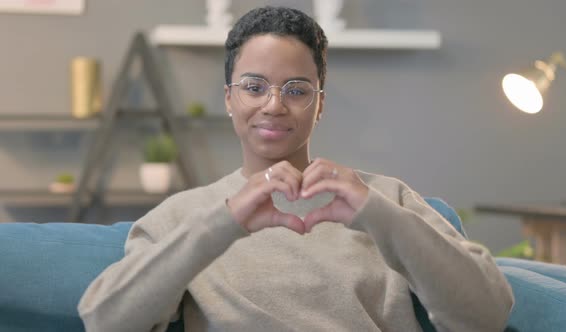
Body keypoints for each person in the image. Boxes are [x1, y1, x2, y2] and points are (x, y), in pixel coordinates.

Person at [78, 6, 514, 332]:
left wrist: (376, 214)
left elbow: (487, 314)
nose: (274, 104)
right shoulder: (182, 216)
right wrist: (224, 222)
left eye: (296, 89)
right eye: (254, 87)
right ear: (229, 99)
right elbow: (105, 321)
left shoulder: (385, 198)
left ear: (320, 103)